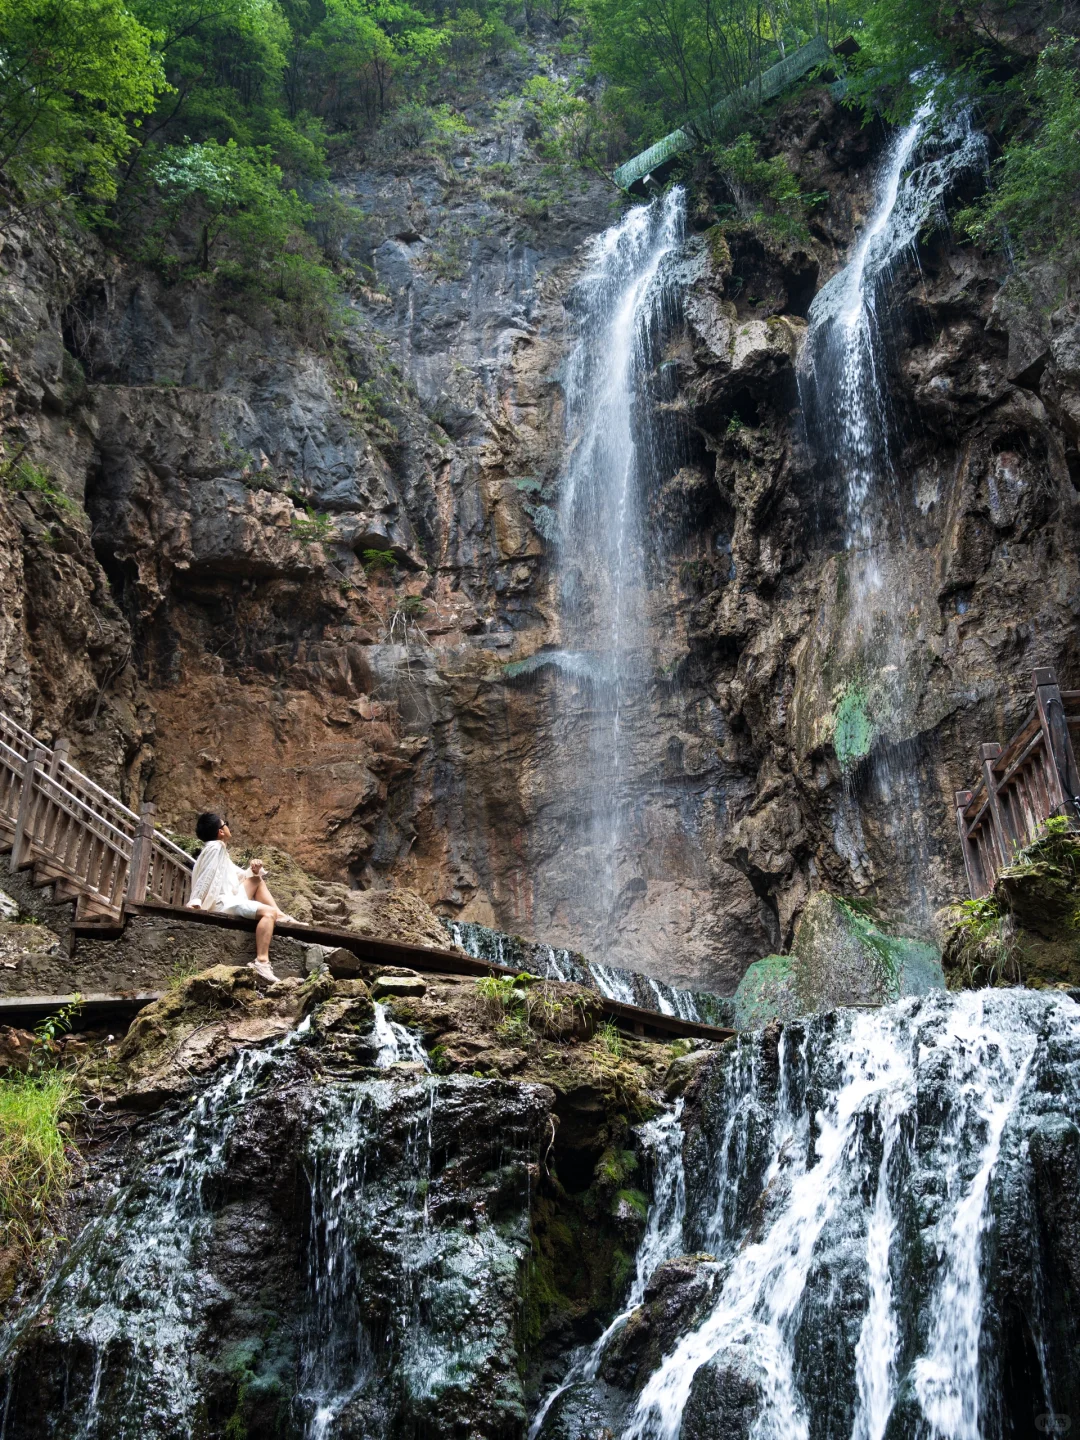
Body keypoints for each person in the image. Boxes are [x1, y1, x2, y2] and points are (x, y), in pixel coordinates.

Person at [187, 812, 294, 982]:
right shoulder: (216, 847)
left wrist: (254, 869)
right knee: (268, 913)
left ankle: (281, 916)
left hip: (229, 898)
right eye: (225, 824)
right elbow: (206, 875)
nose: (228, 827)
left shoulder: (217, 850)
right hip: (222, 904)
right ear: (221, 832)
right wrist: (196, 900)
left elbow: (239, 876)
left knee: (256, 880)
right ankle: (262, 962)